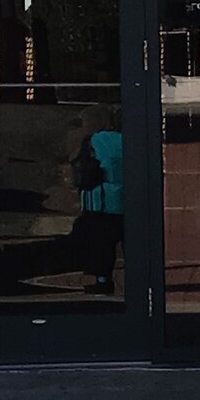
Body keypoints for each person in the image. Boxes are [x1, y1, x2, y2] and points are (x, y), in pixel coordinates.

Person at [70, 124, 126, 293]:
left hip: (100, 203)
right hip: (126, 201)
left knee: (101, 247)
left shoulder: (93, 141)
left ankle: (103, 281)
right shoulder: (128, 140)